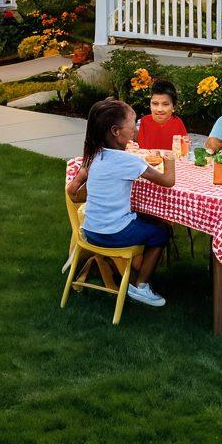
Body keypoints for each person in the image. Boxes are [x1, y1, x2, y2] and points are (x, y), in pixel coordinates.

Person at [65, 99, 175, 308]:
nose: (136, 129)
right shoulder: (129, 161)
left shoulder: (93, 156)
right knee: (161, 231)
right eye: (133, 124)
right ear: (115, 131)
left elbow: (72, 192)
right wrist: (169, 159)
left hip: (90, 231)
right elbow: (168, 181)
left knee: (145, 220)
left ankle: (132, 268)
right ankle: (140, 286)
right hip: (113, 234)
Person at [134, 79, 189, 151]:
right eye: (155, 104)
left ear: (174, 107)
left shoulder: (178, 123)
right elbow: (141, 150)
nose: (159, 109)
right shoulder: (145, 121)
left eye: (165, 104)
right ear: (150, 104)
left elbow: (183, 152)